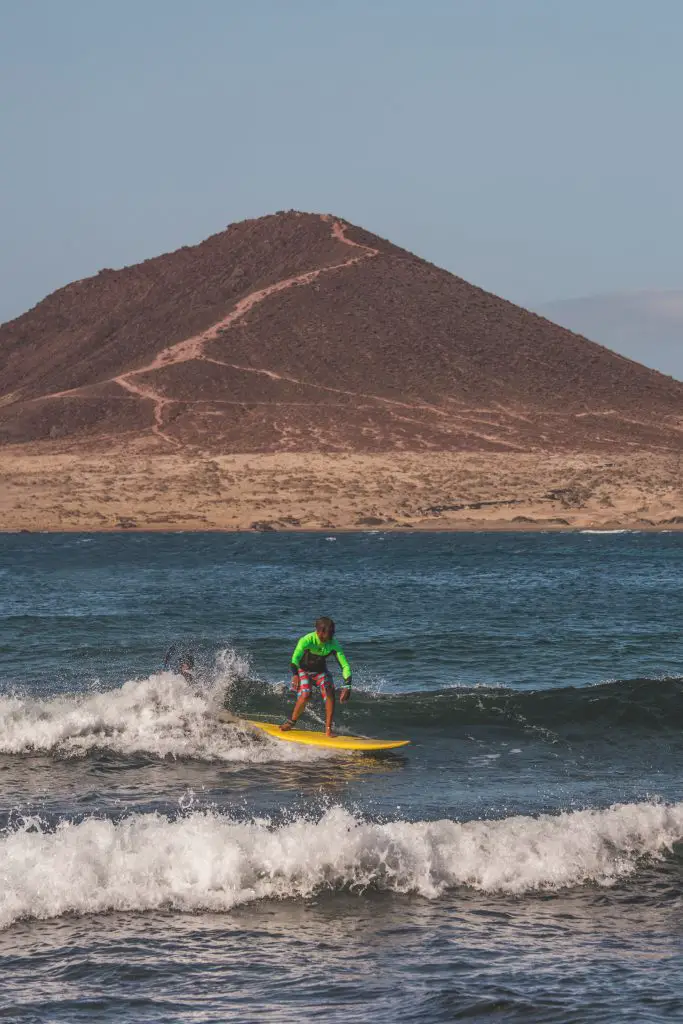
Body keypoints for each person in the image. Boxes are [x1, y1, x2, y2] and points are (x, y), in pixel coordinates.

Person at [282, 616, 351, 736]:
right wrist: (295, 675)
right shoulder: (307, 640)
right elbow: (295, 659)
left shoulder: (333, 643)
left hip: (321, 672)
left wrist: (348, 685)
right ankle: (291, 722)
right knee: (306, 695)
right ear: (318, 631)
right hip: (303, 670)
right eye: (326, 635)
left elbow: (345, 665)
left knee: (329, 691)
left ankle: (328, 729)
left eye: (331, 635)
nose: (328, 638)